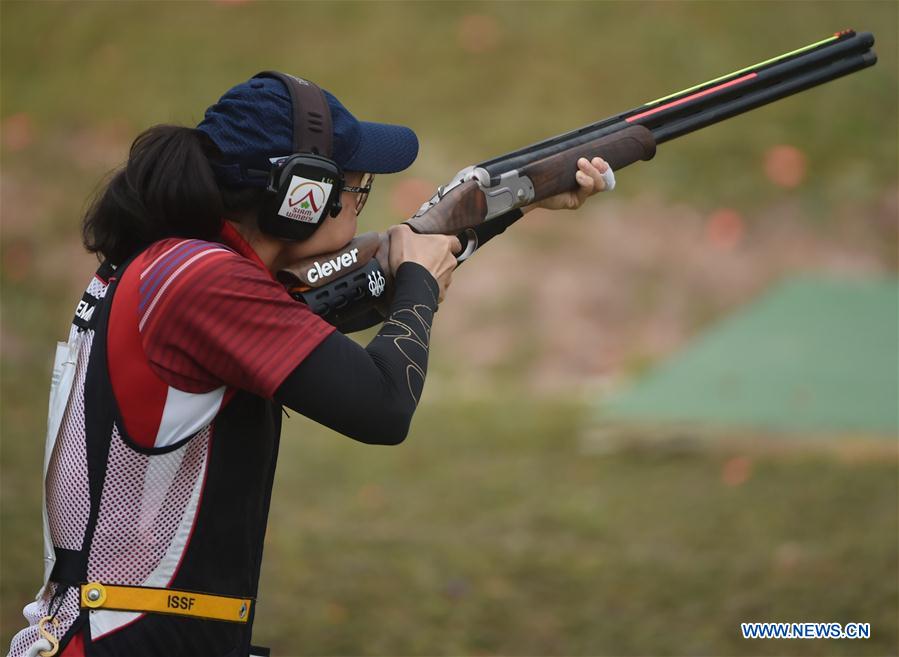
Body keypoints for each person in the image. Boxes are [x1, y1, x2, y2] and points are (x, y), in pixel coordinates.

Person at [8, 71, 613, 657]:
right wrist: (418, 286)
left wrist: (518, 203)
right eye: (356, 186)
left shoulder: (182, 266)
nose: (363, 196)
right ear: (302, 195)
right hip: (130, 640)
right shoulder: (203, 281)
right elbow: (382, 405)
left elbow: (355, 286)